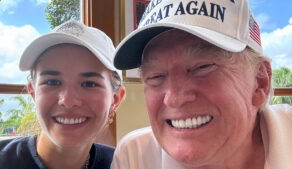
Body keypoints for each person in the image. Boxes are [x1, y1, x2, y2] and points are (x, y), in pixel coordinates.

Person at [111, 0, 292, 169]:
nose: (174, 98)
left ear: (260, 82)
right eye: (156, 76)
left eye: (202, 67)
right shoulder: (135, 156)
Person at [0, 20, 125, 169]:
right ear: (33, 92)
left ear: (115, 99)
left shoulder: (123, 163)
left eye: (89, 84)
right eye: (52, 82)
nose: (68, 101)